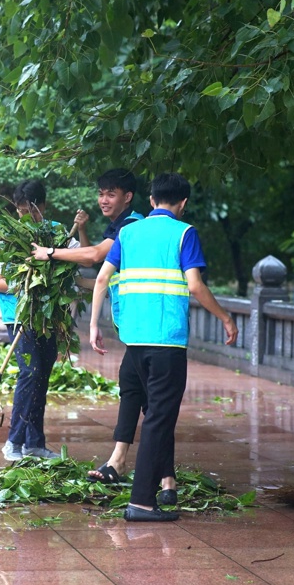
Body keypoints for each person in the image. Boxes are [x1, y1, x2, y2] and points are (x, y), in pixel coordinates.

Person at [89, 173, 238, 521]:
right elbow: (196, 286)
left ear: (152, 200)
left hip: (134, 340)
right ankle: (141, 501)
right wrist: (225, 318)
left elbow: (101, 278)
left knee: (156, 414)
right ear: (183, 203)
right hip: (167, 341)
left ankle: (162, 485)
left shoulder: (127, 232)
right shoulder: (184, 233)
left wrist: (95, 324)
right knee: (158, 418)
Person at [29, 169, 155, 488]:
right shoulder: (119, 224)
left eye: (110, 194)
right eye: (100, 193)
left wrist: (50, 254)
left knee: (150, 399)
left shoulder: (131, 225)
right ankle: (125, 462)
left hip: (150, 325)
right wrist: (64, 284)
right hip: (135, 327)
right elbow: (97, 276)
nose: (103, 199)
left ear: (128, 197)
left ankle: (157, 473)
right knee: (134, 391)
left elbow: (96, 257)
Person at [0, 179, 78, 462]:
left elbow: (79, 259)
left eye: (31, 213)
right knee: (29, 373)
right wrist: (29, 282)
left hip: (48, 315)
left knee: (42, 375)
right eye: (20, 213)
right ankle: (13, 443)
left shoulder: (58, 232)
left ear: (43, 206)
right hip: (19, 315)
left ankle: (35, 443)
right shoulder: (7, 236)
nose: (25, 219)